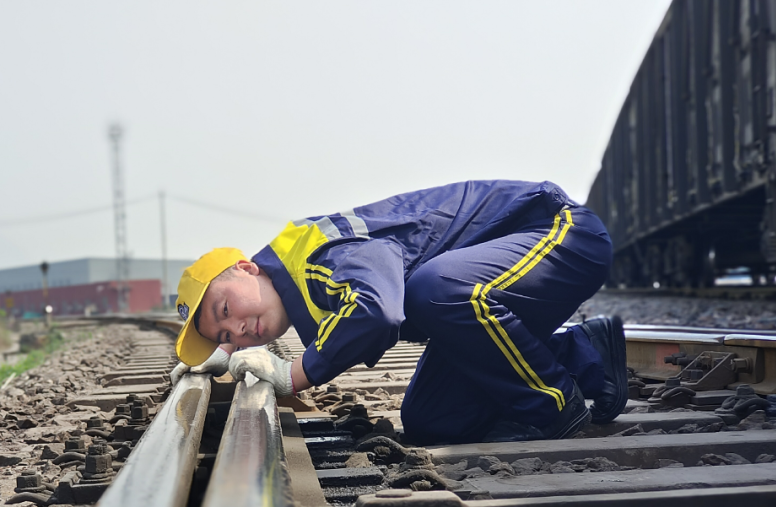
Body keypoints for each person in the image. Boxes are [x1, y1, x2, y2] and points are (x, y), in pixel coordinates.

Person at [170, 179, 627, 445]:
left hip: (558, 234)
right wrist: (220, 363)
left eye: (225, 308)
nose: (238, 330)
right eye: (226, 336)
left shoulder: (315, 254)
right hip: (491, 285)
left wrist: (296, 373)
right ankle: (585, 353)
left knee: (433, 290)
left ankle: (554, 402)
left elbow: (377, 311)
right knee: (432, 421)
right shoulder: (299, 290)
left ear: (248, 267)